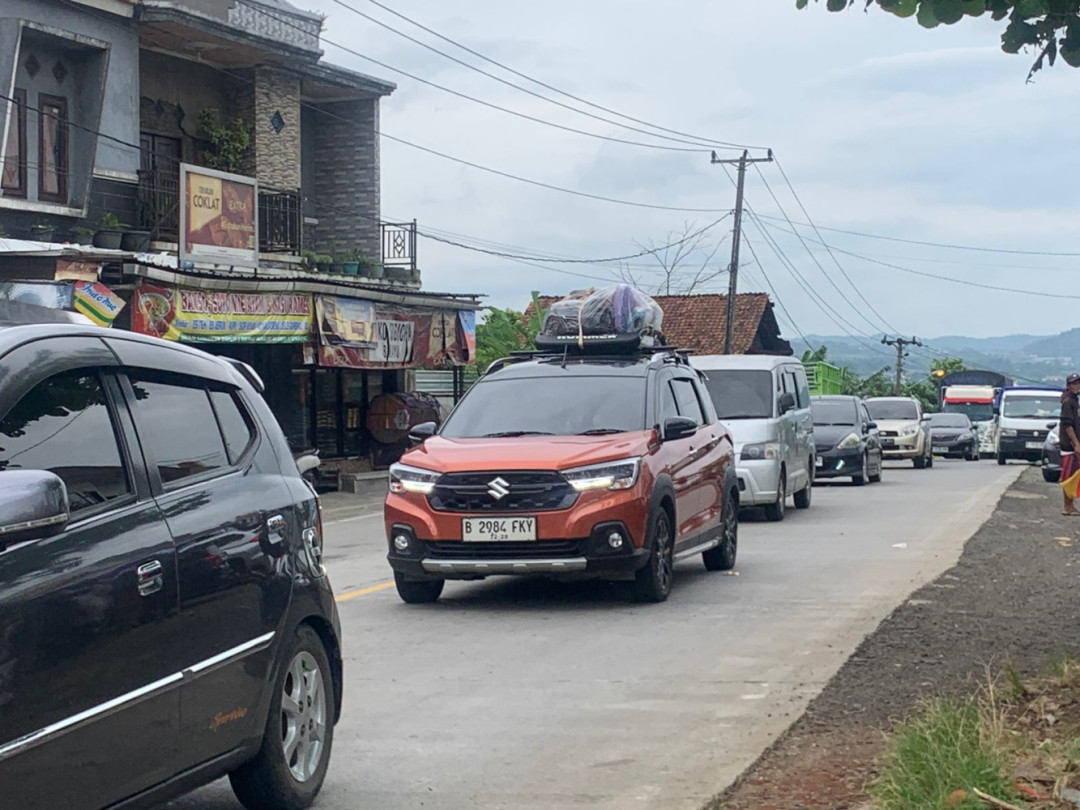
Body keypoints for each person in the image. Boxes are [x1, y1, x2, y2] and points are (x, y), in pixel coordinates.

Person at [1060, 373, 1080, 516]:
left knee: (1074, 475)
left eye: (1078, 383)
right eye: (1074, 383)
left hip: (1074, 445)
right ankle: (1067, 506)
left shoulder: (1075, 401)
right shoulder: (1068, 402)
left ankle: (1070, 505)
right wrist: (1076, 444)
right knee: (1069, 476)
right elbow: (1068, 426)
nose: (1077, 386)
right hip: (1069, 446)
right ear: (1068, 386)